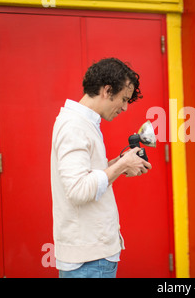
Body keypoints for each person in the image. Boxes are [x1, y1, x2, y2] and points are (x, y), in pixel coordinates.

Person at [50, 58, 151, 278]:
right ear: (107, 90)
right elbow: (78, 190)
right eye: (124, 99)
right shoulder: (74, 125)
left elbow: (87, 176)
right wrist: (123, 164)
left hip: (91, 257)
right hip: (90, 260)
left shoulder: (83, 122)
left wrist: (119, 163)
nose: (125, 107)